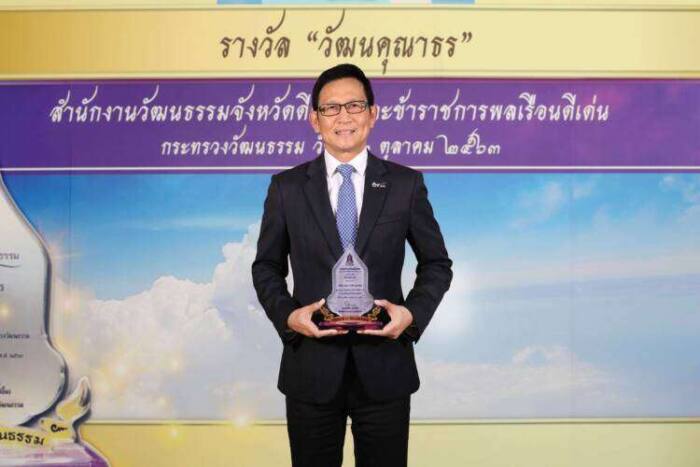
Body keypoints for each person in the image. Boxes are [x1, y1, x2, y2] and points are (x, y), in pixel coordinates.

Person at [252, 63, 452, 467]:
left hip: (385, 367)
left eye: (354, 105)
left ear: (373, 114)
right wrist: (289, 317)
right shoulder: (286, 188)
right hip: (310, 368)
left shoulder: (405, 185)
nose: (343, 116)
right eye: (331, 108)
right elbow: (266, 268)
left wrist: (411, 316)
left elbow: (436, 263)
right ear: (315, 119)